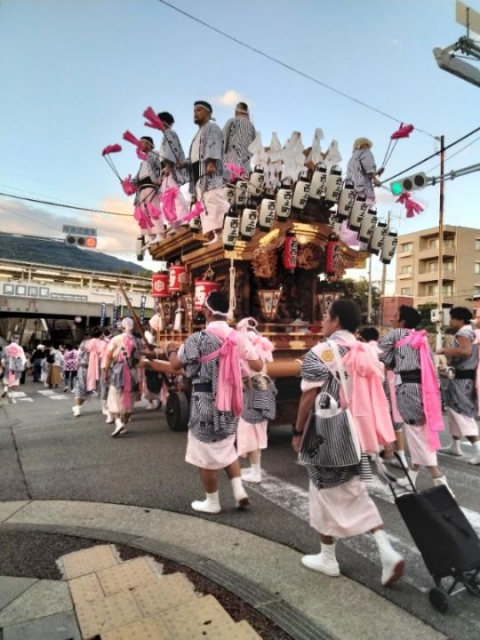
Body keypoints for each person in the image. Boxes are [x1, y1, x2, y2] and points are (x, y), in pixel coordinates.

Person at [292, 299, 404, 585]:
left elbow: (307, 397)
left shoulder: (321, 352)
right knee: (349, 490)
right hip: (360, 432)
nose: (324, 322)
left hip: (328, 431)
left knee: (325, 489)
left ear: (337, 321)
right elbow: (379, 397)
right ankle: (371, 552)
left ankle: (335, 557)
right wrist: (384, 436)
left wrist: (298, 431)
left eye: (327, 317)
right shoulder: (367, 351)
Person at [167, 291, 263, 514]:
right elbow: (257, 365)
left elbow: (175, 365)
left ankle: (212, 502)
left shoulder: (197, 339)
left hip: (204, 401)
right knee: (226, 445)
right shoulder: (239, 337)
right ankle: (239, 491)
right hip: (230, 400)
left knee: (206, 453)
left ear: (208, 312)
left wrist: (171, 349)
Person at [378, 305, 451, 492]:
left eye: (396, 316)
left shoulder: (398, 334)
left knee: (417, 433)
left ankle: (439, 480)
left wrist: (389, 358)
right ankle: (411, 476)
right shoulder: (422, 339)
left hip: (407, 388)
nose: (393, 319)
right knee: (419, 431)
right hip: (423, 387)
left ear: (402, 322)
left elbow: (381, 352)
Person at [181, 101, 230, 245]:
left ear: (208, 113)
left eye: (199, 110)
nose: (195, 113)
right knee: (205, 204)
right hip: (198, 175)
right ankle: (218, 234)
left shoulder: (212, 127)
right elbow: (194, 157)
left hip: (209, 172)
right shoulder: (198, 134)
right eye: (194, 111)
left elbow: (214, 144)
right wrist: (184, 163)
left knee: (214, 199)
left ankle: (227, 226)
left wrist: (212, 162)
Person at [358, 326, 407, 469]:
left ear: (362, 337)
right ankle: (401, 457)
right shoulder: (386, 349)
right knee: (396, 423)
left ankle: (376, 450)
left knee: (374, 418)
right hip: (394, 384)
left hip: (375, 389)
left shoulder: (364, 350)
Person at [437, 307, 480, 465]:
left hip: (461, 380)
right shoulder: (472, 331)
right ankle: (455, 445)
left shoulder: (464, 333)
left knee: (462, 414)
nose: (450, 321)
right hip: (463, 378)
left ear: (460, 320)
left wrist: (445, 350)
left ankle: (478, 450)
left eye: (453, 318)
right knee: (454, 412)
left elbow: (465, 351)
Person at [236, 318, 277, 483]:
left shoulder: (248, 353)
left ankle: (255, 473)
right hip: (262, 390)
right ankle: (255, 469)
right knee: (255, 433)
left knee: (250, 433)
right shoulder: (259, 350)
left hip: (254, 393)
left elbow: (246, 374)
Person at [103, 318, 142, 437]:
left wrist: (106, 370)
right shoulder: (138, 341)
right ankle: (124, 424)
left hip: (118, 369)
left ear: (122, 327)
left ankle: (118, 422)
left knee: (114, 396)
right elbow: (140, 357)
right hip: (133, 371)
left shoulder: (116, 339)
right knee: (129, 398)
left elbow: (109, 355)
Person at [131, 136, 164, 249]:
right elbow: (137, 177)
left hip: (151, 185)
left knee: (153, 209)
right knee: (143, 213)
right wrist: (129, 183)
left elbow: (162, 166)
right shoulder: (142, 162)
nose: (141, 145)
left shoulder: (154, 154)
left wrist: (160, 178)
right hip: (142, 188)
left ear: (150, 144)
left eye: (143, 143)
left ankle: (160, 233)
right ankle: (151, 237)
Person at [72, 327, 104, 417]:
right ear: (101, 334)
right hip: (95, 369)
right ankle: (107, 409)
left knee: (80, 388)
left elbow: (79, 355)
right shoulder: (102, 343)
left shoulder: (84, 343)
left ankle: (77, 408)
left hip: (83, 367)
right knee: (92, 389)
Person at [223, 102, 256, 178]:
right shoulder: (252, 127)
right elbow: (253, 149)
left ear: (236, 112)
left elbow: (223, 142)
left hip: (229, 167)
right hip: (245, 170)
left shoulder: (231, 122)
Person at [346, 137, 384, 203]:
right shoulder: (365, 151)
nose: (368, 147)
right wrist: (375, 179)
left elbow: (360, 173)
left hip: (350, 193)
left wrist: (377, 173)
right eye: (367, 145)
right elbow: (368, 165)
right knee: (364, 211)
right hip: (364, 193)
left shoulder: (352, 159)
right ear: (362, 144)